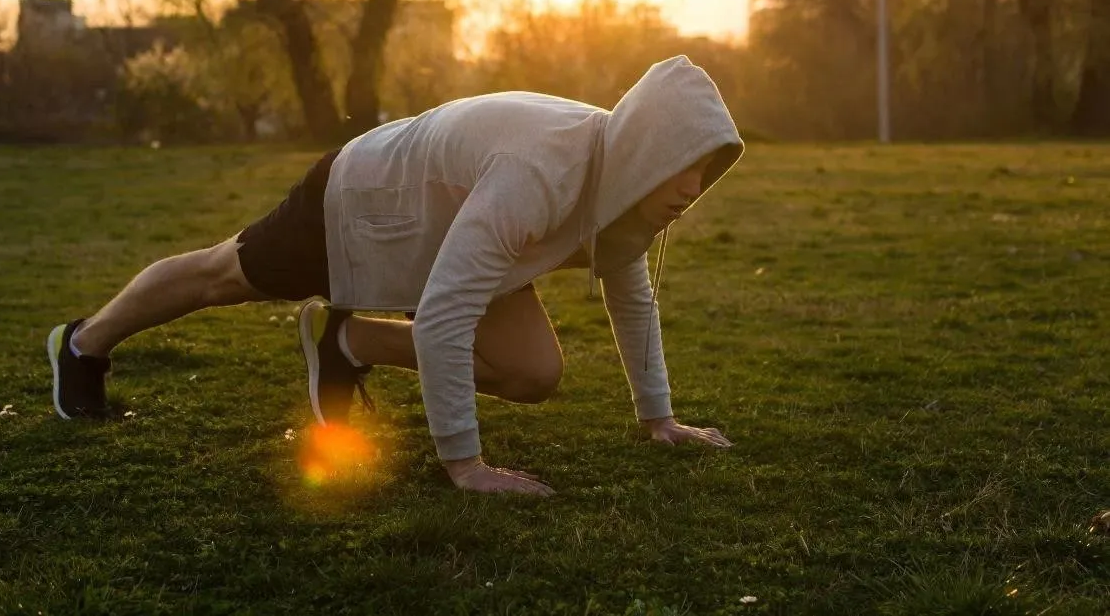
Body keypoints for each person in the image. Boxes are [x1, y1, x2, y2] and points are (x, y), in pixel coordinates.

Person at [46, 55, 744, 496]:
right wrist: (464, 466)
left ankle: (347, 343)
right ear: (645, 146)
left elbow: (630, 288)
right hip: (364, 194)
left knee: (533, 371)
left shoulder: (631, 188)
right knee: (223, 274)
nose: (691, 184)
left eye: (705, 164)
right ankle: (83, 342)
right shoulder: (541, 171)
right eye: (681, 159)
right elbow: (444, 316)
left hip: (457, 221)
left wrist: (660, 417)